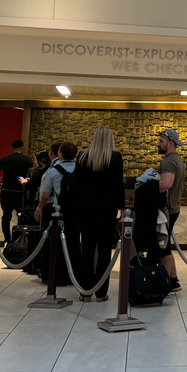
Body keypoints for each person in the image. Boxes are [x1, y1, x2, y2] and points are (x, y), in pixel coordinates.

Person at [73, 127, 125, 303]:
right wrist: (122, 206)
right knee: (104, 250)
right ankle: (101, 292)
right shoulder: (115, 157)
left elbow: (76, 183)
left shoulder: (83, 156)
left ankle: (85, 291)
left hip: (86, 207)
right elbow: (119, 185)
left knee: (86, 248)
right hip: (107, 209)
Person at [0, 139, 34, 245]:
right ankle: (18, 238)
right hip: (19, 192)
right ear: (22, 148)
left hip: (6, 191)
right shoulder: (27, 160)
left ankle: (7, 239)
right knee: (21, 216)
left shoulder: (5, 159)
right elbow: (32, 176)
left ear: (12, 148)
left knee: (6, 216)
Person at [157, 128, 187, 293]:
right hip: (173, 208)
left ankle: (163, 284)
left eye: (161, 141)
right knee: (165, 243)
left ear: (170, 143)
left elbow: (166, 184)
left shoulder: (169, 161)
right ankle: (174, 281)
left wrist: (146, 187)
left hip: (166, 210)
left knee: (163, 247)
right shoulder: (177, 160)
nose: (158, 144)